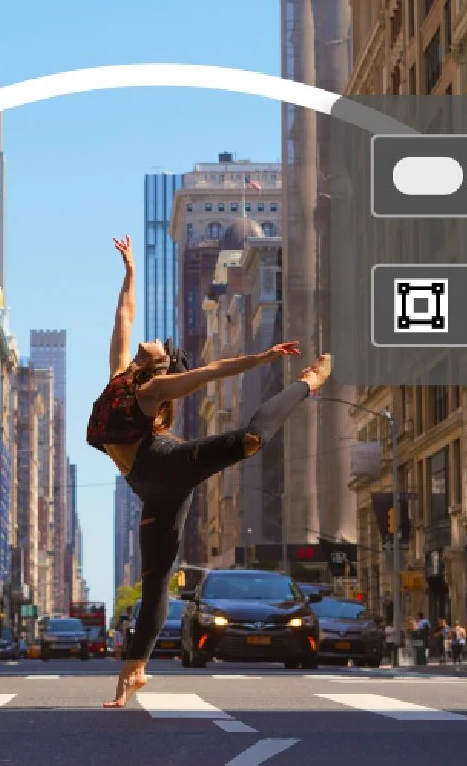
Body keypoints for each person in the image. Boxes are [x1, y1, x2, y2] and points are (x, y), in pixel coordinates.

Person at [90, 236, 332, 708]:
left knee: (249, 439)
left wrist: (263, 359)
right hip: (152, 488)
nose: (157, 338)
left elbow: (211, 371)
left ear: (161, 362)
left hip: (164, 464)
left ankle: (308, 384)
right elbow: (123, 316)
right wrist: (130, 270)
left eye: (163, 344)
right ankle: (132, 673)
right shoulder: (121, 375)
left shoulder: (153, 388)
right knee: (156, 579)